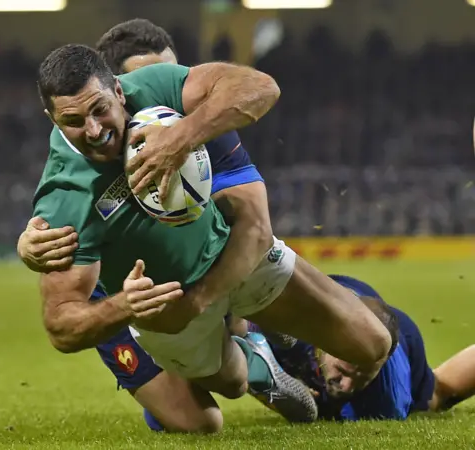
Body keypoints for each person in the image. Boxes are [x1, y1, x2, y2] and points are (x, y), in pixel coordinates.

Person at [25, 20, 392, 429]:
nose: (93, 131)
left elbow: (262, 88)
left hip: (233, 254)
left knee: (372, 345)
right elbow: (60, 326)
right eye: (74, 121)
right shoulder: (65, 196)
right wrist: (123, 307)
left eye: (99, 110)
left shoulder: (160, 89)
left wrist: (181, 136)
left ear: (118, 90)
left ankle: (271, 334)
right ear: (51, 119)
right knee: (212, 415)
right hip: (169, 307)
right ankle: (257, 366)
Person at [254, 274, 475, 421]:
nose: (348, 386)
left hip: (394, 332)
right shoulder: (291, 320)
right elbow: (235, 336)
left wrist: (315, 405)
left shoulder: (386, 400)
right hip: (343, 305)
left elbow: (324, 414)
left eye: (362, 379)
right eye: (343, 371)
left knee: (437, 396)